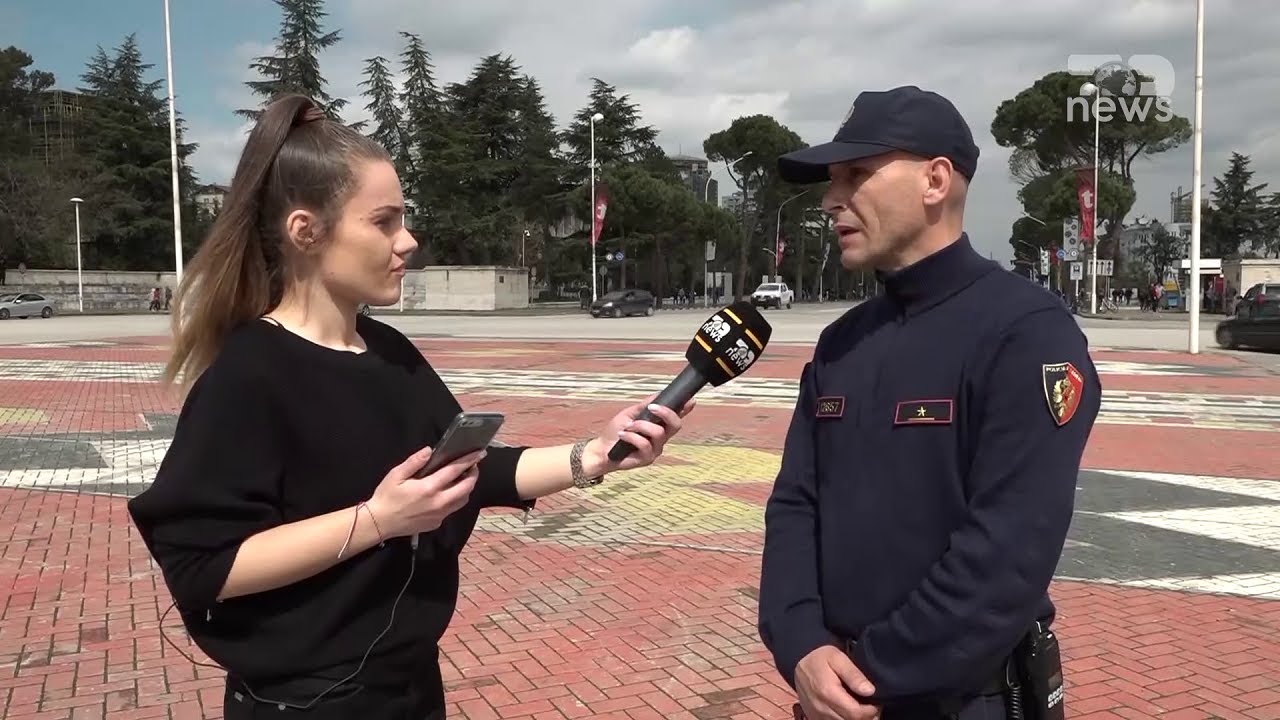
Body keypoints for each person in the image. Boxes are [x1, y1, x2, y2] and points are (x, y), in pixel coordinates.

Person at [126, 94, 695, 720]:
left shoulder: (390, 351)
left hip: (410, 689)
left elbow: (471, 470)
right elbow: (202, 566)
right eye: (384, 222)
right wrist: (379, 520)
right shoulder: (250, 373)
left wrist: (595, 455)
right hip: (307, 704)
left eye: (405, 220)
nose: (408, 241)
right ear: (305, 231)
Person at [757, 86, 1101, 720]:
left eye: (855, 175)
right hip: (829, 693)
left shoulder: (1026, 334)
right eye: (831, 182)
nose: (831, 200)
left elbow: (1006, 557)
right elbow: (795, 504)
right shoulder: (840, 343)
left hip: (959, 700)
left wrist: (866, 673)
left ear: (935, 181)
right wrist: (801, 643)